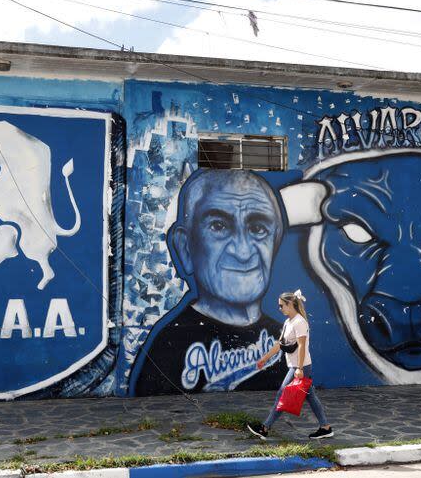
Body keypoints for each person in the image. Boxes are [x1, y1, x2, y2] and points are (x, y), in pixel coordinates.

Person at [128, 170, 287, 395]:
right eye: (219, 226)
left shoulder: (284, 335)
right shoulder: (169, 346)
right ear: (185, 248)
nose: (242, 252)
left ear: (275, 243)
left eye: (258, 229)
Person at [247, 290, 333, 440]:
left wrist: (299, 368)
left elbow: (301, 346)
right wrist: (265, 358)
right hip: (296, 366)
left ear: (290, 304)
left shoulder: (300, 322)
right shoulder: (288, 322)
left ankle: (265, 428)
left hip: (301, 367)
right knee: (310, 396)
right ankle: (325, 427)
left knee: (283, 394)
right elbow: (280, 344)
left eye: (281, 306)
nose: (279, 308)